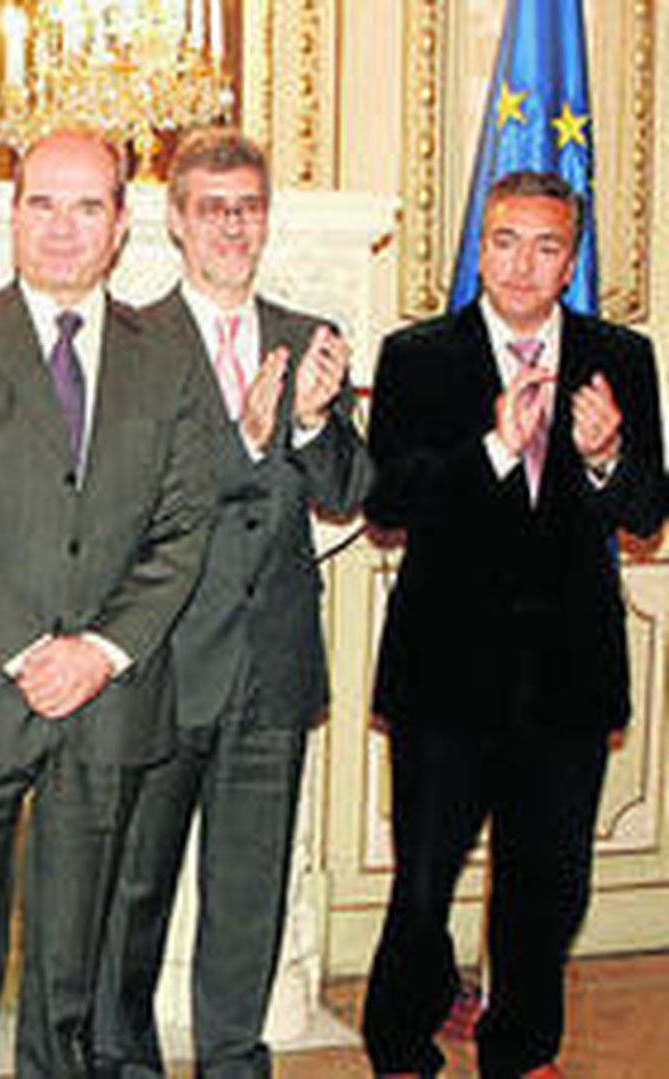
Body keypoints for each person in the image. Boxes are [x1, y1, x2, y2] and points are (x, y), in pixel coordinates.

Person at [0, 128, 216, 1078]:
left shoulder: (171, 353)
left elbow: (184, 524)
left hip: (108, 699)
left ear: (121, 225)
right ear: (13, 215)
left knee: (73, 970)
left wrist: (98, 652)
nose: (62, 228)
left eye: (86, 206)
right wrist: (27, 648)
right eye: (41, 203)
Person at [361, 171, 663, 1079]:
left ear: (571, 261)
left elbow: (647, 510)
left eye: (545, 246)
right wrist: (493, 446)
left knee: (548, 888)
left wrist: (606, 455)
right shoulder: (418, 354)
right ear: (479, 247)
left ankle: (522, 1050)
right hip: (444, 673)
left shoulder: (622, 355)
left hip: (569, 674)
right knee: (422, 885)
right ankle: (401, 1047)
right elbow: (387, 501)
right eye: (504, 241)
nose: (522, 264)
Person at [92, 126, 370, 1078]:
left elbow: (352, 490)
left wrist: (314, 421)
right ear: (175, 220)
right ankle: (122, 1060)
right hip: (161, 664)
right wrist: (249, 444)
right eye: (212, 208)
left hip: (271, 667)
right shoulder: (129, 342)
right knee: (134, 892)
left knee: (250, 896)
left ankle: (233, 1061)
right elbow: (122, 504)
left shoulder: (307, 335)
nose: (232, 226)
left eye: (248, 207)